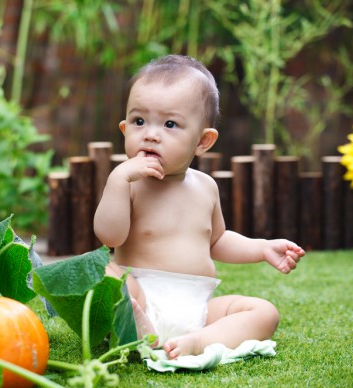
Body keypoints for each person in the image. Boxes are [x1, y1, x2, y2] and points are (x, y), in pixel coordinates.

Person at [93, 55, 305, 360]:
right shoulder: (128, 183)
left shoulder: (206, 187)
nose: (151, 133)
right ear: (125, 129)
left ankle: (199, 340)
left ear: (202, 141)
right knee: (108, 275)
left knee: (264, 312)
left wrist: (262, 248)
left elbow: (216, 240)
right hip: (140, 295)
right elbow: (109, 237)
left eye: (170, 124)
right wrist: (118, 179)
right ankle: (140, 330)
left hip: (197, 309)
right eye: (140, 121)